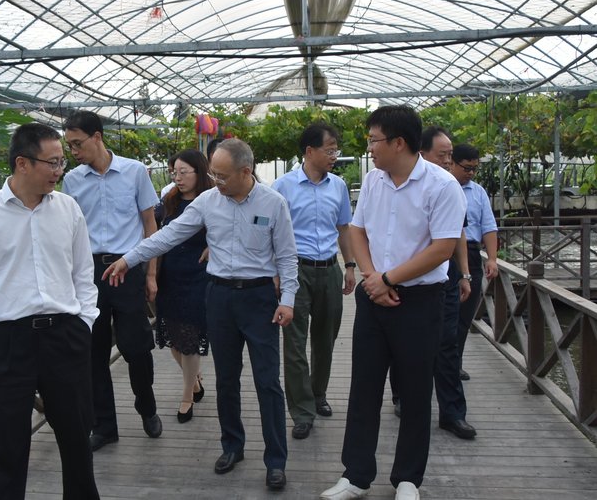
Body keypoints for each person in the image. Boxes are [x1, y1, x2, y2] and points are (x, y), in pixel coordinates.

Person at [102, 139, 298, 492]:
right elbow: (168, 235)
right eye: (212, 174)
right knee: (226, 379)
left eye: (222, 176)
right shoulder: (208, 202)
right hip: (219, 296)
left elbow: (286, 256)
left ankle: (275, 461)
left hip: (259, 299)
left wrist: (288, 300)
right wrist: (129, 259)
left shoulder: (273, 203)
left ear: (246, 172)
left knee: (268, 381)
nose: (215, 181)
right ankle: (232, 446)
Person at [320, 105, 466, 500]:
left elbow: (442, 248)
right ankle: (356, 475)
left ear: (398, 143)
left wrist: (388, 279)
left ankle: (407, 479)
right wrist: (373, 278)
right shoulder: (374, 181)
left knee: (416, 390)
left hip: (420, 300)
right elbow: (357, 230)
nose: (369, 148)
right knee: (364, 386)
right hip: (373, 296)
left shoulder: (442, 185)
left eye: (374, 140)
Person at [0, 122, 100, 499]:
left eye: (62, 161)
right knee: (2, 444)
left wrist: (84, 322)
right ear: (22, 163)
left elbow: (83, 273)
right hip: (7, 339)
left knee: (77, 435)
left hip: (65, 335)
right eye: (52, 162)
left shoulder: (68, 208)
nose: (59, 170)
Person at [61, 110, 162, 452]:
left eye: (78, 143)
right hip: (89, 272)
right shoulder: (72, 181)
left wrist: (150, 273)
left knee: (137, 346)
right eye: (69, 145)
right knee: (94, 351)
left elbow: (150, 225)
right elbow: (68, 232)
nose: (74, 151)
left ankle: (147, 406)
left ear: (97, 137)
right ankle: (104, 426)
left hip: (128, 268)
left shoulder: (134, 172)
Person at [272, 122, 356, 440]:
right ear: (309, 151)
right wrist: (276, 274)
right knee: (294, 344)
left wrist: (350, 266)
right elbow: (271, 233)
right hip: (296, 270)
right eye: (329, 149)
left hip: (330, 269)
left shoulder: (338, 186)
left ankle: (318, 394)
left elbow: (344, 228)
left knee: (326, 339)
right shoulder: (282, 187)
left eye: (336, 149)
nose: (334, 155)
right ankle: (302, 411)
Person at [390, 126, 476, 439]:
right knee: (402, 344)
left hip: (444, 278)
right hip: (405, 279)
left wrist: (464, 273)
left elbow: (458, 233)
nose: (448, 161)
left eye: (450, 156)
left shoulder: (448, 187)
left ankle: (452, 413)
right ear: (421, 152)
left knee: (447, 344)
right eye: (442, 155)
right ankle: (403, 397)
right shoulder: (397, 186)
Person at [154, 149, 213, 422]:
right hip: (170, 276)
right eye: (174, 172)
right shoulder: (169, 201)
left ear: (199, 173)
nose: (177, 177)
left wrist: (214, 246)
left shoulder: (212, 201)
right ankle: (195, 380)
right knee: (173, 338)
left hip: (198, 277)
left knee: (189, 338)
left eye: (183, 172)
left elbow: (230, 228)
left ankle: (187, 395)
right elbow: (155, 233)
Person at [451, 143, 499, 379]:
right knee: (443, 312)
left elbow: (488, 226)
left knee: (465, 314)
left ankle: (455, 363)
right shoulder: (442, 186)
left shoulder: (478, 192)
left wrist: (492, 259)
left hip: (471, 250)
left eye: (474, 169)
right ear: (452, 163)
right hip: (445, 251)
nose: (470, 173)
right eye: (466, 168)